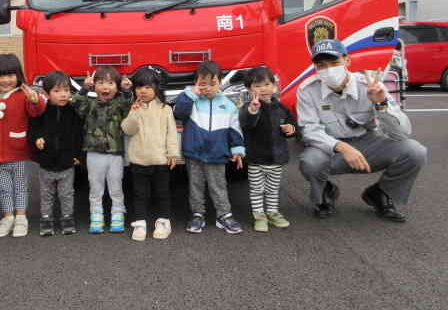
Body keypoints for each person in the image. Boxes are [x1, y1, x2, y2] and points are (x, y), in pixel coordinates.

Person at [297, 39, 427, 222]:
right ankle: (325, 192)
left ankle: (380, 194)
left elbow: (402, 133)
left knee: (415, 151)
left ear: (347, 61)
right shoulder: (307, 90)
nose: (328, 70)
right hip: (331, 147)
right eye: (321, 65)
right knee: (310, 162)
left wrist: (381, 104)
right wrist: (342, 147)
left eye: (334, 62)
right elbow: (309, 130)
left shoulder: (370, 85)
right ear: (315, 67)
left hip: (367, 143)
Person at [173, 60, 245, 234]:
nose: (208, 88)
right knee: (195, 186)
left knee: (218, 185)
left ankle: (224, 215)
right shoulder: (191, 100)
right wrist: (191, 94)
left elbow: (235, 129)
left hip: (217, 154)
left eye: (213, 83)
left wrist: (237, 150)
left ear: (220, 83)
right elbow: (178, 113)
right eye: (202, 84)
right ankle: (197, 215)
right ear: (195, 84)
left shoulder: (228, 105)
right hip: (194, 153)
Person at [0, 54, 47, 238]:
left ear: (18, 76)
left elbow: (37, 111)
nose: (6, 80)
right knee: (4, 188)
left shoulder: (22, 96)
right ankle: (8, 217)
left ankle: (21, 217)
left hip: (18, 152)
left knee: (20, 186)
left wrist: (35, 100)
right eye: (1, 76)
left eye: (11, 75)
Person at [71, 66, 132, 234]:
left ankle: (117, 213)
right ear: (95, 86)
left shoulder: (119, 104)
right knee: (95, 187)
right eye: (101, 83)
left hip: (115, 154)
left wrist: (127, 92)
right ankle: (96, 215)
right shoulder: (89, 104)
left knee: (116, 186)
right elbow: (75, 105)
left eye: (111, 83)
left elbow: (129, 108)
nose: (106, 87)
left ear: (117, 87)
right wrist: (84, 88)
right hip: (93, 153)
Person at [121, 67, 180, 241]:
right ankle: (140, 223)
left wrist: (173, 154)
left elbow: (171, 133)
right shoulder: (134, 107)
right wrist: (134, 112)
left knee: (162, 193)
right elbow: (127, 129)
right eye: (139, 87)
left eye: (147, 87)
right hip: (139, 160)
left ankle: (163, 222)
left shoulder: (165, 109)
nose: (143, 91)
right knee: (140, 194)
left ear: (156, 88)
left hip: (161, 160)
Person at [239, 67, 297, 232]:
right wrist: (253, 109)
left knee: (272, 189)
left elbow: (292, 125)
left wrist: (290, 129)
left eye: (266, 84)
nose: (263, 89)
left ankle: (272, 213)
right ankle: (259, 216)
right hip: (256, 159)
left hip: (276, 159)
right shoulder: (248, 108)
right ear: (249, 89)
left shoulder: (281, 108)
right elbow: (246, 123)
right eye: (257, 86)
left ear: (274, 86)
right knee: (256, 190)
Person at [28, 71, 84, 237]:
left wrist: (78, 155)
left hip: (67, 162)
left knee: (67, 194)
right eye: (57, 91)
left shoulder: (73, 111)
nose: (63, 95)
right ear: (47, 93)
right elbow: (32, 130)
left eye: (66, 90)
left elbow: (79, 135)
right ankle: (46, 219)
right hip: (46, 162)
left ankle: (67, 218)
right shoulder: (41, 112)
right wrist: (36, 141)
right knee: (46, 194)